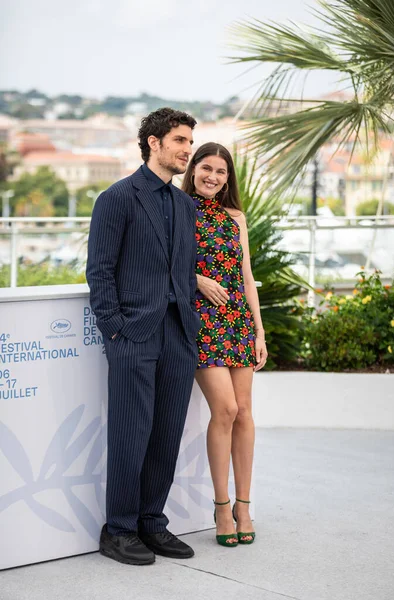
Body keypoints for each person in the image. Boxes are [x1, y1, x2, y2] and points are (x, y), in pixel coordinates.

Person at [86, 108, 200, 566]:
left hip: (177, 334)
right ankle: (119, 530)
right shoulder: (117, 198)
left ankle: (152, 522)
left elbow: (183, 269)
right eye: (179, 141)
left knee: (167, 433)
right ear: (153, 142)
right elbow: (100, 272)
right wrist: (115, 329)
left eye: (190, 142)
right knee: (132, 434)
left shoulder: (183, 204)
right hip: (133, 333)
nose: (187, 150)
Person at [182, 142, 268, 547]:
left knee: (246, 412)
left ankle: (244, 505)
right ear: (193, 169)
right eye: (206, 168)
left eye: (221, 171)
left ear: (228, 177)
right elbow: (165, 264)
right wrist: (196, 279)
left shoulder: (236, 217)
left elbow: (247, 276)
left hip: (236, 322)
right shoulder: (177, 209)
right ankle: (220, 505)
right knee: (227, 408)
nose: (213, 177)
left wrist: (259, 330)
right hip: (201, 322)